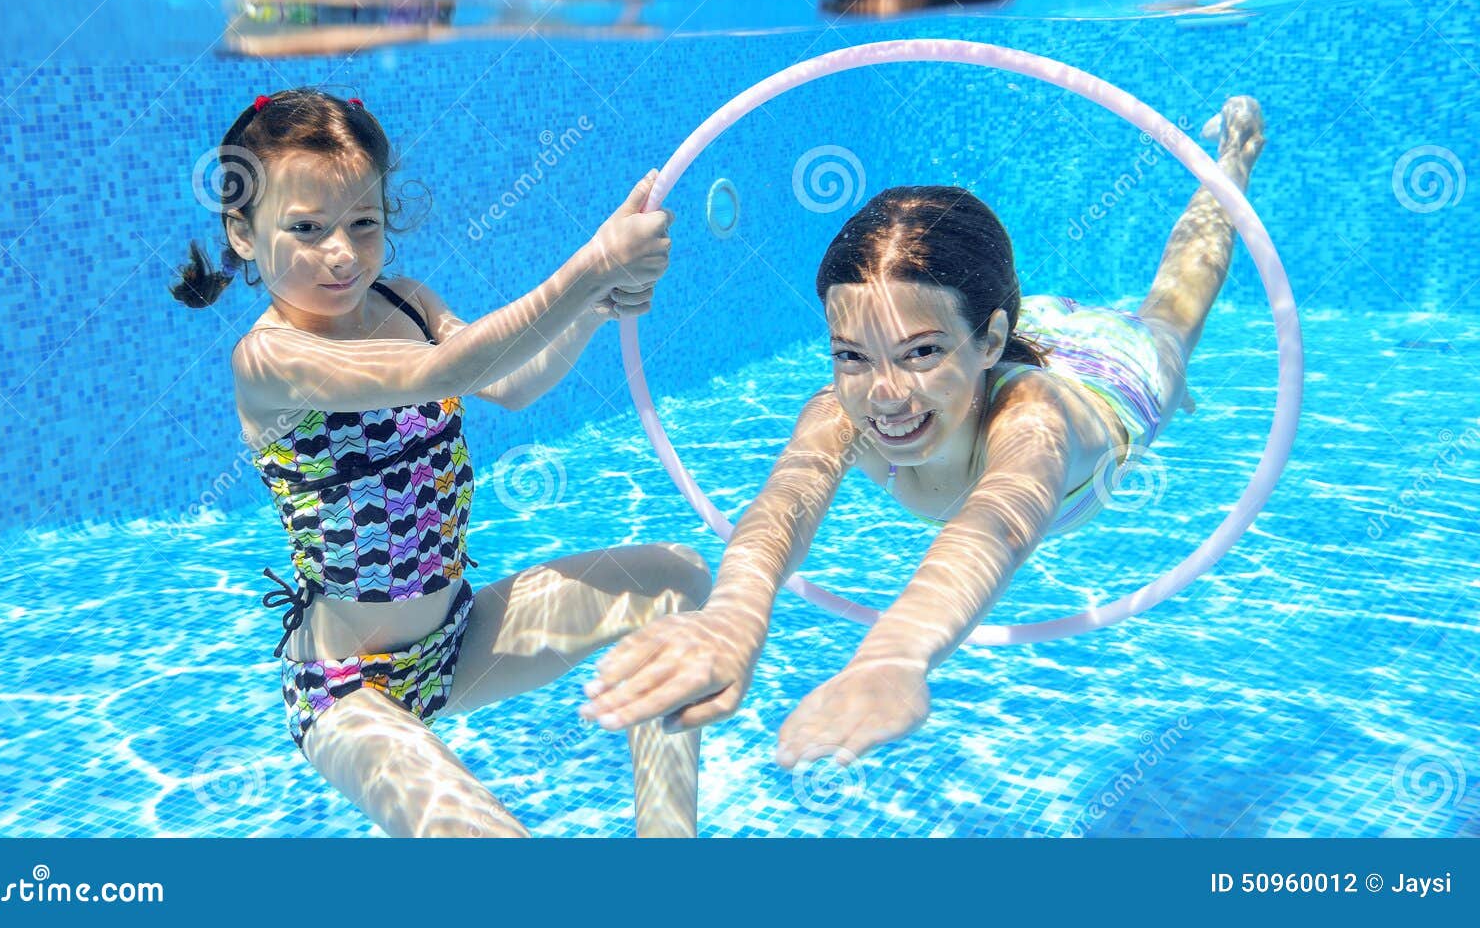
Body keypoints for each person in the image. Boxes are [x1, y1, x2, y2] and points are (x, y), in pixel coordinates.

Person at [581, 96, 1267, 770]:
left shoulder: (1033, 418)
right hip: (1013, 337)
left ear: (990, 340)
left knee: (1175, 305)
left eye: (919, 353)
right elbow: (782, 507)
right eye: (851, 354)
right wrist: (733, 616)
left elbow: (997, 521)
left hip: (1117, 372)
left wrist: (891, 653)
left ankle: (1235, 156)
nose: (883, 395)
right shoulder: (840, 409)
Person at [170, 88, 712, 836]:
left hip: (456, 640)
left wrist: (597, 305)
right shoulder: (271, 358)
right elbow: (439, 373)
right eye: (306, 228)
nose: (342, 252)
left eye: (363, 222)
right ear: (242, 232)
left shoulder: (409, 301)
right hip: (349, 687)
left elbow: (513, 383)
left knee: (677, 581)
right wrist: (588, 268)